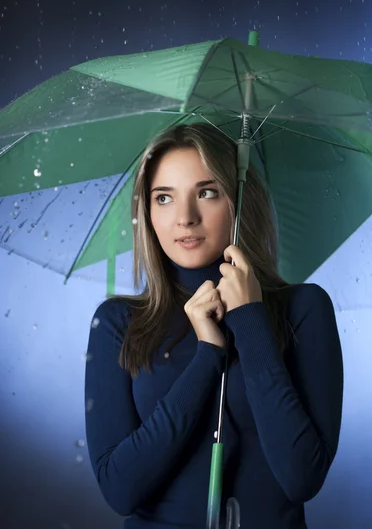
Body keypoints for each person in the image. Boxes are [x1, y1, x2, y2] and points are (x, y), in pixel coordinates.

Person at [84, 122, 344, 528]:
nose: (185, 218)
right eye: (164, 198)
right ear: (147, 212)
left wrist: (251, 321)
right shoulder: (118, 323)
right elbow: (120, 491)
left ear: (239, 200)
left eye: (207, 192)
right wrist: (207, 356)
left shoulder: (305, 308)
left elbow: (302, 478)